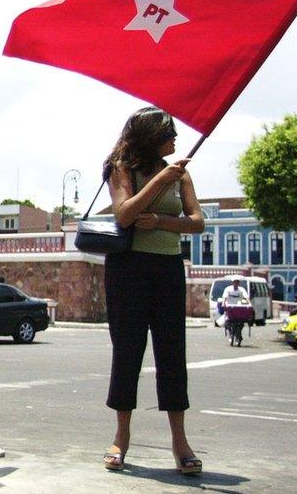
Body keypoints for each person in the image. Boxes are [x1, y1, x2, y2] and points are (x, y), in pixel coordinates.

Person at [100, 107, 205, 474]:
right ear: (149, 136)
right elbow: (124, 213)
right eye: (168, 133)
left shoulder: (181, 173)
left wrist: (161, 221)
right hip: (128, 268)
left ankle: (180, 442)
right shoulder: (121, 167)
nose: (175, 139)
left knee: (172, 353)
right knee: (127, 352)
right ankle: (121, 438)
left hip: (167, 269)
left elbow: (197, 223)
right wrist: (160, 182)